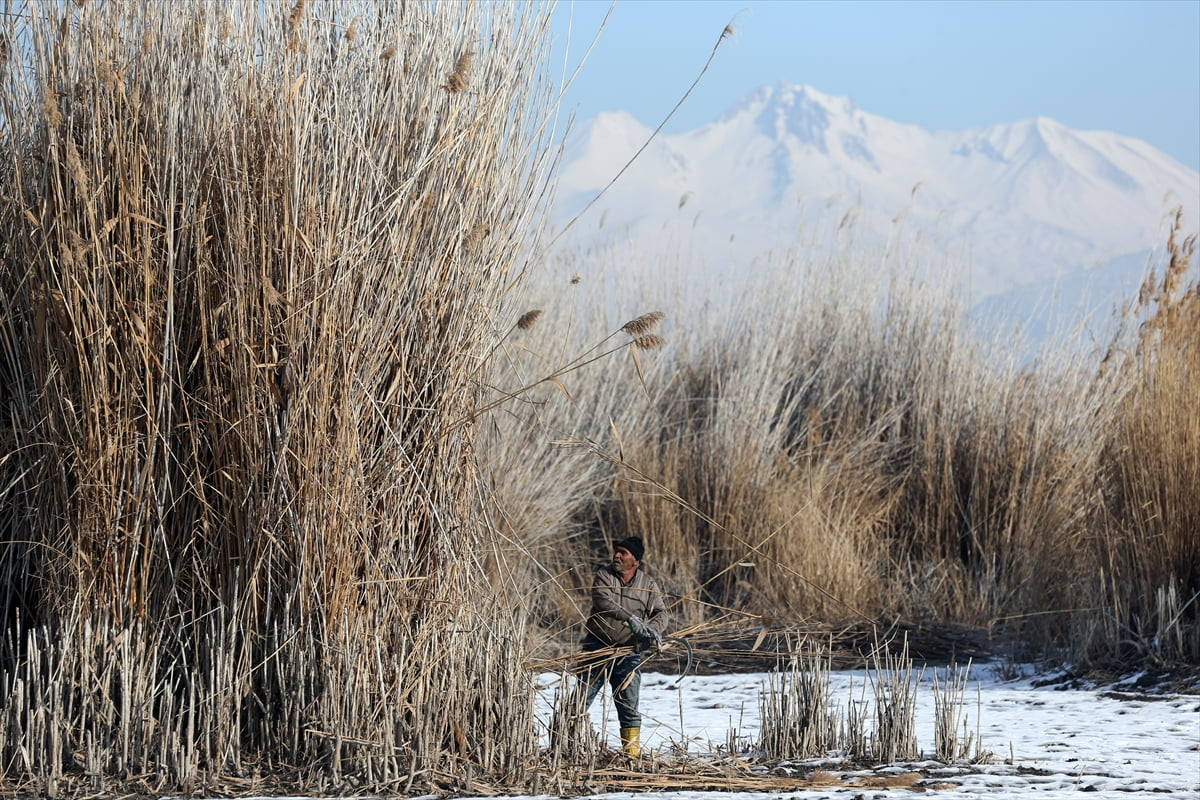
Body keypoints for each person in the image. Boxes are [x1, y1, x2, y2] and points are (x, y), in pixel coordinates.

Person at [578, 535, 668, 757]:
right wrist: (631, 619)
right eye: (616, 551)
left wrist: (652, 629)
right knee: (580, 701)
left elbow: (662, 612)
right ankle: (561, 745)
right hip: (596, 647)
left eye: (623, 553)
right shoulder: (603, 576)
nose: (617, 555)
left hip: (629, 652)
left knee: (628, 706)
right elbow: (604, 602)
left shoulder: (648, 584)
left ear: (635, 562)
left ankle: (631, 756)